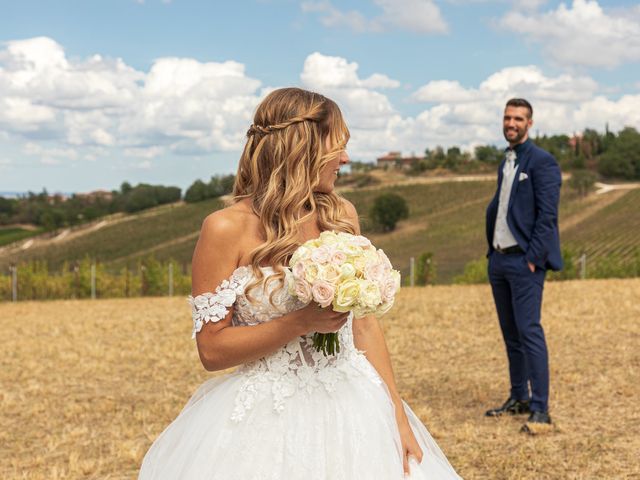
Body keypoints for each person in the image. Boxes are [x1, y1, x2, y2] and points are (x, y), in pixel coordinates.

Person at [138, 87, 461, 479]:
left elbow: (364, 325)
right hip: (266, 417)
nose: (345, 159)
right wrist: (300, 322)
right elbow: (211, 350)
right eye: (336, 147)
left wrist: (396, 415)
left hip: (355, 406)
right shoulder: (224, 229)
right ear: (301, 149)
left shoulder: (341, 214)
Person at [484, 98, 563, 433]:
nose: (511, 123)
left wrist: (532, 260)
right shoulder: (506, 160)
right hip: (499, 260)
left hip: (524, 262)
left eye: (518, 118)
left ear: (530, 123)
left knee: (529, 332)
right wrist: (492, 253)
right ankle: (519, 397)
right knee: (510, 335)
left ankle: (541, 409)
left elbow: (547, 217)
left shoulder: (543, 162)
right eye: (507, 117)